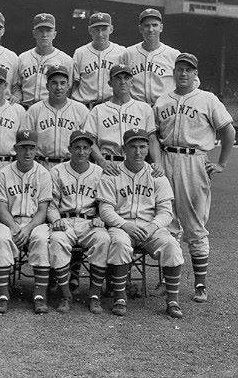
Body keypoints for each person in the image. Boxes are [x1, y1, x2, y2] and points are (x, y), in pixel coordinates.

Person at [153, 53, 235, 303]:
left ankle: (200, 284)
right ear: (174, 72)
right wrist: (157, 162)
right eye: (180, 69)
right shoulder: (162, 100)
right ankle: (170, 280)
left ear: (195, 73)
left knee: (195, 225)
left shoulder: (207, 99)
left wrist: (221, 163)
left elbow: (228, 130)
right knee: (168, 223)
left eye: (189, 69)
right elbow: (154, 134)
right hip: (167, 159)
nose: (184, 73)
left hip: (194, 160)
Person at [98, 128, 184, 318]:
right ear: (123, 149)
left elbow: (166, 211)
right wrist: (124, 225)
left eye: (143, 147)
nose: (138, 152)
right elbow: (105, 210)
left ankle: (172, 301)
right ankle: (120, 298)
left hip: (150, 226)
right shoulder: (111, 173)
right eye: (133, 147)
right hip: (122, 225)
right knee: (119, 243)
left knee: (171, 245)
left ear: (147, 149)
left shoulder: (156, 175)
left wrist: (152, 227)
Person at [47, 131, 109, 314]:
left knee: (103, 240)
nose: (81, 152)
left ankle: (95, 296)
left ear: (91, 150)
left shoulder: (99, 172)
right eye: (77, 148)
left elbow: (105, 203)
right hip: (65, 220)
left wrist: (101, 217)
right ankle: (66, 295)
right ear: (69, 150)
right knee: (57, 241)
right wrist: (56, 220)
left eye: (85, 148)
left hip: (89, 222)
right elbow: (50, 204)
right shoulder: (57, 171)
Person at [0, 129, 52, 314]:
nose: (27, 152)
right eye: (23, 147)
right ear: (15, 148)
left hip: (35, 222)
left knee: (41, 239)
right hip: (9, 220)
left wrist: (28, 229)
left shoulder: (43, 174)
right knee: (1, 239)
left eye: (31, 148)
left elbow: (43, 211)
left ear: (36, 150)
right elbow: (1, 208)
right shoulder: (3, 174)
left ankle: (40, 296)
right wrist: (15, 227)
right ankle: (2, 296)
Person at [84, 64, 159, 175]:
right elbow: (90, 141)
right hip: (109, 164)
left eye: (126, 78)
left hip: (137, 164)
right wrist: (102, 162)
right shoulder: (98, 110)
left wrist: (158, 163)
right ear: (110, 83)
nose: (122, 82)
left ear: (132, 82)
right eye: (118, 78)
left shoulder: (144, 108)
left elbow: (152, 140)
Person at [23, 65, 88, 169]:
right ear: (47, 86)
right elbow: (26, 141)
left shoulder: (81, 109)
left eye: (62, 83)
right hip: (41, 164)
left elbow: (89, 142)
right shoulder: (34, 110)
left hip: (71, 165)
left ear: (68, 86)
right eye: (54, 83)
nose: (59, 87)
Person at [120, 8, 181, 105]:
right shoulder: (128, 53)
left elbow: (193, 82)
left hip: (164, 107)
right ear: (140, 29)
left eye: (155, 25)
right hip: (136, 108)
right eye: (147, 26)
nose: (151, 29)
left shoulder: (173, 54)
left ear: (161, 27)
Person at [14, 13, 73, 109]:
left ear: (54, 34)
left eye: (48, 30)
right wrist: (17, 96)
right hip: (25, 108)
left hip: (51, 109)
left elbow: (69, 90)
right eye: (40, 31)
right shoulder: (22, 58)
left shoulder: (66, 60)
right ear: (34, 33)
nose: (44, 35)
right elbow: (16, 86)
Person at [71, 12, 125, 108]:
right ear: (89, 30)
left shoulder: (122, 52)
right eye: (96, 30)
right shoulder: (80, 53)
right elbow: (73, 85)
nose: (100, 34)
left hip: (112, 107)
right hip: (85, 107)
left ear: (111, 29)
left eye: (104, 29)